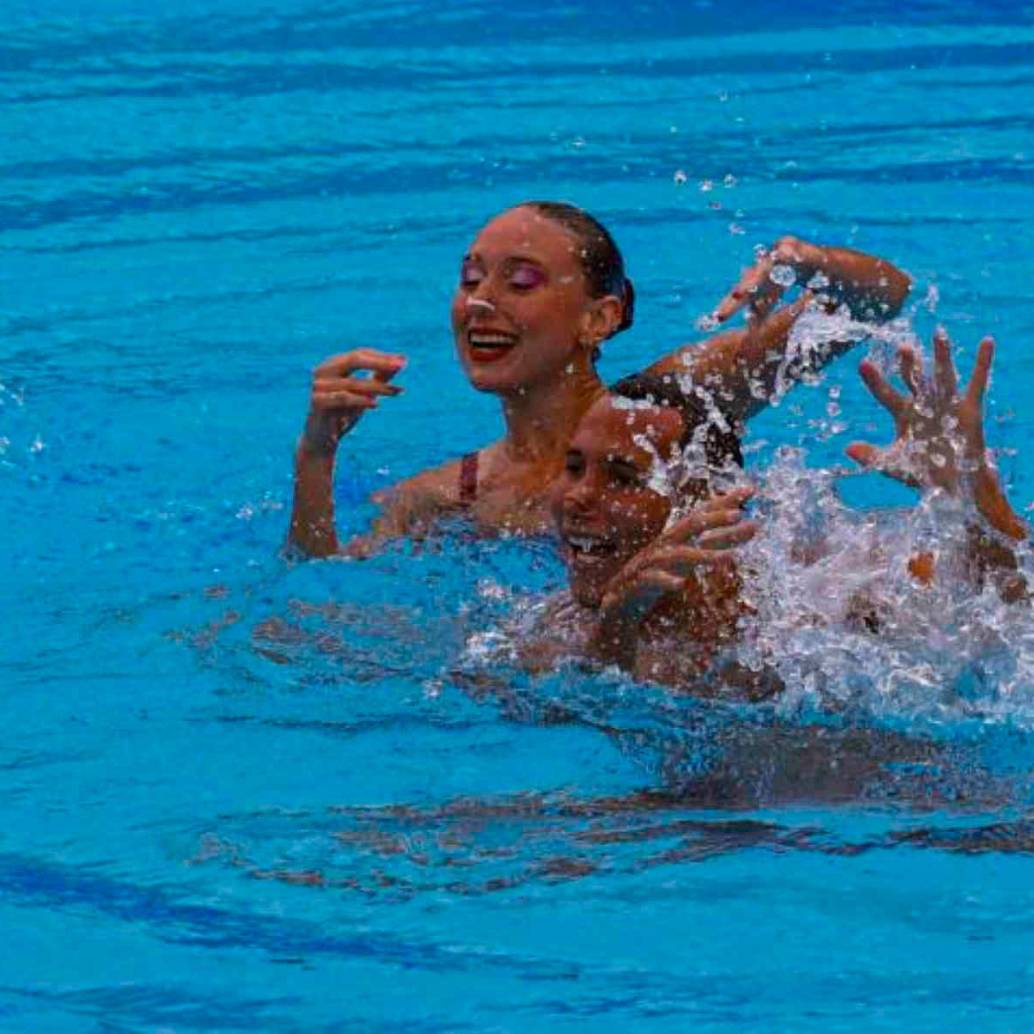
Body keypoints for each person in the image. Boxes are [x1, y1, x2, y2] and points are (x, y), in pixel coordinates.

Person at [288, 201, 912, 557]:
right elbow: (319, 607)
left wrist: (808, 261)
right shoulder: (448, 496)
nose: (480, 301)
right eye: (470, 278)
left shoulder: (670, 404)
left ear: (600, 318)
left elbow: (881, 299)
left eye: (521, 281)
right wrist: (316, 456)